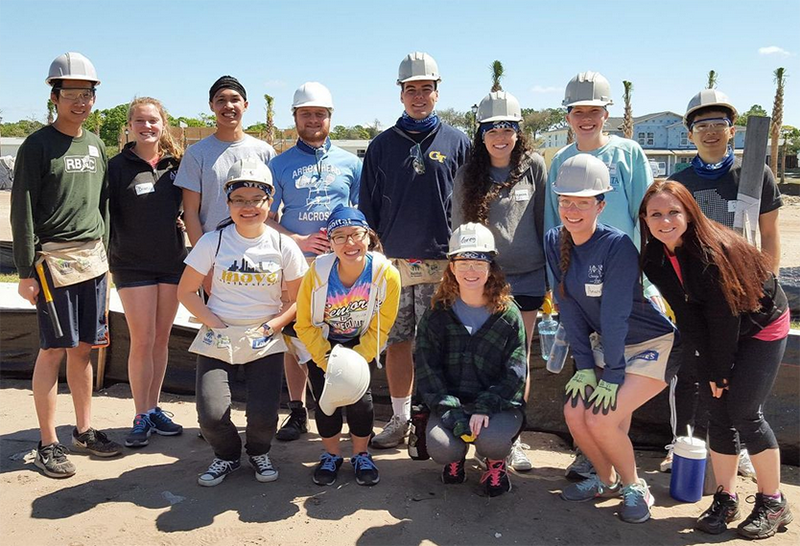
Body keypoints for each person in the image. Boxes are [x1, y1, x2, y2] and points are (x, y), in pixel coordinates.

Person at [640, 180, 793, 539]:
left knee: (744, 411)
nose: (665, 221)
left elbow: (725, 319)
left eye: (673, 212)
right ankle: (726, 497)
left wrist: (718, 372)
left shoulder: (709, 255)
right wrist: (708, 368)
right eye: (656, 214)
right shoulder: (655, 259)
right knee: (716, 412)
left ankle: (773, 501)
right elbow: (687, 315)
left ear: (689, 214)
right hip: (718, 328)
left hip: (760, 324)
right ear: (644, 219)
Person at [545, 154, 678, 524]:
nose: (573, 209)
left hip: (651, 345)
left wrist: (614, 373)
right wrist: (585, 366)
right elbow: (567, 305)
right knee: (575, 413)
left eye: (583, 202)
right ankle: (606, 480)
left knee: (602, 419)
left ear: (600, 204)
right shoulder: (555, 240)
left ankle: (636, 486)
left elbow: (615, 313)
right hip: (609, 345)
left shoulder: (617, 245)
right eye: (566, 201)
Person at [11, 52, 122, 478]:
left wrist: (106, 258)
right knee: (53, 348)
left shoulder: (95, 145)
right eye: (72, 94)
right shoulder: (37, 146)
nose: (81, 102)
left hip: (92, 262)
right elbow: (21, 211)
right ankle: (47, 441)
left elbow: (102, 206)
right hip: (53, 263)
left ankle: (84, 429)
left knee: (85, 348)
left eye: (87, 94)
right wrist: (25, 270)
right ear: (54, 97)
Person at [663, 90, 783, 475]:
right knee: (691, 375)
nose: (711, 132)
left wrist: (763, 284)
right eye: (702, 126)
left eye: (719, 125)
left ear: (732, 132)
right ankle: (682, 442)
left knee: (741, 376)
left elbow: (770, 234)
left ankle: (742, 448)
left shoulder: (753, 176)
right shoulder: (679, 183)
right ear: (690, 135)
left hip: (744, 298)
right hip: (697, 297)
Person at [544, 71, 657, 481]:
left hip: (624, 283)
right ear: (569, 115)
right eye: (578, 111)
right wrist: (556, 287)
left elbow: (646, 220)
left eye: (594, 110)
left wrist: (648, 280)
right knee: (585, 366)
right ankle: (588, 455)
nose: (586, 118)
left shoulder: (628, 154)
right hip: (580, 286)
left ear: (607, 113)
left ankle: (610, 456)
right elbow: (552, 228)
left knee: (617, 374)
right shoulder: (561, 160)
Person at [359, 52, 470, 448]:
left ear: (438, 92)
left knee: (441, 344)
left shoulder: (459, 142)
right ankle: (401, 418)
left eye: (426, 88)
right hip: (394, 265)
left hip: (445, 264)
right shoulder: (382, 146)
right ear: (400, 94)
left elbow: (470, 205)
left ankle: (440, 420)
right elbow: (367, 210)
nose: (418, 96)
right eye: (411, 89)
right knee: (397, 342)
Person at [177, 159, 307, 486]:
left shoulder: (283, 246)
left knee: (264, 417)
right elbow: (187, 291)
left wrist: (273, 325)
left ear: (269, 202)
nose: (248, 207)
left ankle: (259, 450)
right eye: (239, 199)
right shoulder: (214, 242)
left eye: (256, 200)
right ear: (228, 202)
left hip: (263, 338)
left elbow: (297, 300)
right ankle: (227, 455)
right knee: (210, 414)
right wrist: (215, 324)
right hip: (219, 335)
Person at [451, 90, 546, 471]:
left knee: (516, 361)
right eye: (492, 128)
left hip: (527, 279)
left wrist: (552, 274)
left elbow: (546, 221)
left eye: (507, 127)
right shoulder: (468, 173)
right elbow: (459, 230)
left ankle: (511, 438)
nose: (500, 135)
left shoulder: (534, 166)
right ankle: (475, 431)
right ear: (481, 133)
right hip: (482, 279)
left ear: (518, 130)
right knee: (479, 357)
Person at [268, 82, 362, 443]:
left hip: (342, 268)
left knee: (341, 335)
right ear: (295, 117)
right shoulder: (279, 164)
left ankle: (342, 405)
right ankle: (297, 409)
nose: (313, 120)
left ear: (330, 117)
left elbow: (359, 215)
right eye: (305, 114)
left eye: (319, 114)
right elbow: (265, 215)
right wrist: (298, 240)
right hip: (297, 267)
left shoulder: (350, 163)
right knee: (296, 339)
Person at [415, 223, 526, 497]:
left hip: (496, 406)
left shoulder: (509, 315)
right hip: (452, 402)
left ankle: (495, 462)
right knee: (442, 447)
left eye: (479, 261)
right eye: (463, 262)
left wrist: (485, 406)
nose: (471, 270)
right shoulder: (437, 313)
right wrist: (451, 412)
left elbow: (515, 375)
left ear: (491, 267)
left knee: (493, 441)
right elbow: (427, 371)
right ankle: (456, 459)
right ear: (452, 267)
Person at [294, 205, 400, 486]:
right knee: (326, 402)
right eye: (339, 236)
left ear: (368, 236)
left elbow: (383, 324)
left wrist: (355, 360)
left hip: (360, 342)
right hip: (323, 342)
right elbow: (303, 322)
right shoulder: (317, 272)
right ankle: (330, 455)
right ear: (329, 242)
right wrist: (327, 360)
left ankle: (361, 455)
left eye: (355, 234)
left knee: (360, 402)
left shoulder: (386, 274)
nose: (349, 243)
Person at [108, 97, 186, 448]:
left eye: (153, 120)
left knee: (161, 337)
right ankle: (140, 413)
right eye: (140, 121)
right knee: (142, 338)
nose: (147, 126)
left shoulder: (177, 166)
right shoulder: (116, 167)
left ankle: (154, 407)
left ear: (163, 124)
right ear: (130, 126)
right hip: (131, 263)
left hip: (170, 262)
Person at [174, 75, 276, 268]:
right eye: (221, 100)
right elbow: (191, 213)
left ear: (245, 105)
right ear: (211, 106)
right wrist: (203, 263)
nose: (228, 106)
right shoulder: (197, 154)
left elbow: (271, 209)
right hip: (215, 255)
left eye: (235, 99)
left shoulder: (265, 152)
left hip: (259, 256)